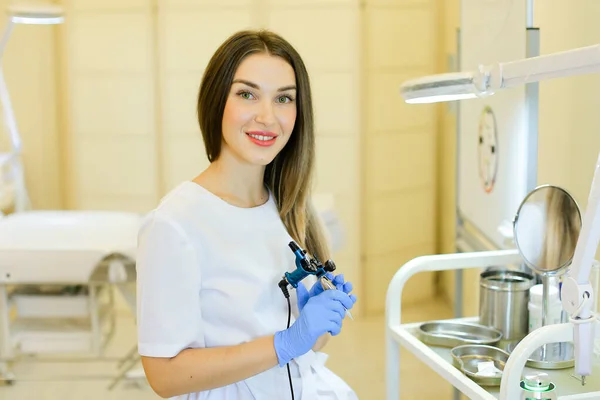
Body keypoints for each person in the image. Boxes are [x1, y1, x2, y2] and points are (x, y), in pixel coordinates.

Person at [135, 29, 358, 400]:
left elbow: (303, 350)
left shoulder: (289, 207)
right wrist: (285, 341)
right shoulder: (174, 225)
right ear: (216, 101)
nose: (267, 117)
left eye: (284, 98)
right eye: (247, 94)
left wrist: (316, 323)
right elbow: (165, 376)